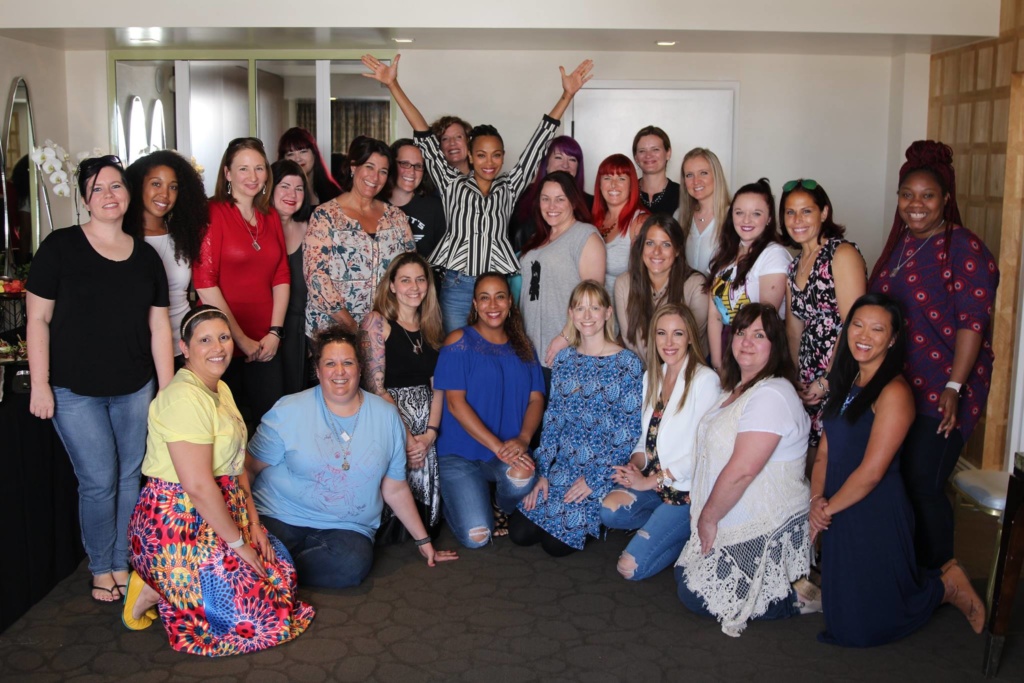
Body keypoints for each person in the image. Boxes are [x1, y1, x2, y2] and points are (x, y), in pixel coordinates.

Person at [122, 306, 315, 654]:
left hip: (222, 507)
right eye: (205, 340)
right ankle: (152, 585)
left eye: (224, 337)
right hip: (177, 521)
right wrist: (239, 545)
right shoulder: (183, 398)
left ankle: (165, 584)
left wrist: (253, 525)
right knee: (253, 621)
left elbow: (236, 464)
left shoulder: (220, 388)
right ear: (184, 347)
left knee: (277, 578)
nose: (218, 348)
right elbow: (197, 487)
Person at [26, 155, 174, 604]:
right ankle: (101, 567)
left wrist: (168, 392)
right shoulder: (60, 247)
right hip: (74, 391)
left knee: (130, 477)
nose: (109, 195)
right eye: (98, 189)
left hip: (135, 386)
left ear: (128, 193)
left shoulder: (146, 256)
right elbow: (37, 320)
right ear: (85, 200)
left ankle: (122, 562)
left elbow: (160, 327)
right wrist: (39, 384)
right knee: (98, 480)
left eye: (116, 186)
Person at [362, 53, 594, 333]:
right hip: (457, 286)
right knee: (456, 347)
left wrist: (567, 95)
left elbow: (539, 141)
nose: (489, 162)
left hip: (497, 286)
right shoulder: (451, 182)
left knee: (495, 348)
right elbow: (422, 134)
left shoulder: (510, 185)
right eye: (481, 155)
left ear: (503, 156)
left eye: (496, 155)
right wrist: (393, 85)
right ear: (471, 156)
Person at [808, 293, 985, 646]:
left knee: (863, 630)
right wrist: (815, 500)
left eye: (877, 329)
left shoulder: (895, 392)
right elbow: (825, 451)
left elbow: (872, 472)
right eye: (857, 325)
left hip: (874, 507)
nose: (864, 335)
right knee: (841, 622)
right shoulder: (846, 381)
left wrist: (826, 510)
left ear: (892, 339)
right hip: (838, 505)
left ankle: (944, 586)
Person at [869, 141, 999, 570]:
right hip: (901, 386)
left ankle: (943, 577)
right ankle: (908, 571)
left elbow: (972, 323)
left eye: (927, 196)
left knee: (925, 482)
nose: (916, 204)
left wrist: (954, 386)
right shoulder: (901, 243)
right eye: (907, 195)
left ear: (945, 199)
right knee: (898, 478)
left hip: (946, 386)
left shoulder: (963, 247)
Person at [247, 326, 458, 588]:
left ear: (360, 368)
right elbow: (249, 469)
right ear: (318, 371)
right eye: (330, 364)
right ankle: (271, 570)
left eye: (347, 363)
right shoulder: (288, 410)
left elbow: (394, 487)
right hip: (281, 515)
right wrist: (249, 523)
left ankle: (270, 573)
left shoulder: (386, 416)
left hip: (346, 527)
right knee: (258, 547)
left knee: (352, 565)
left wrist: (423, 541)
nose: (340, 372)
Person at [675, 303, 818, 637]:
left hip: (765, 522)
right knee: (684, 576)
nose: (747, 342)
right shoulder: (736, 388)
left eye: (759, 335)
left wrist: (708, 518)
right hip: (731, 514)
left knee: (693, 595)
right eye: (741, 333)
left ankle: (797, 598)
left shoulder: (773, 394)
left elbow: (742, 470)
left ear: (775, 345)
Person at [510, 281, 642, 555]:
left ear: (608, 312)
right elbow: (553, 420)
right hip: (565, 464)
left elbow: (628, 432)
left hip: (603, 467)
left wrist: (595, 480)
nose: (587, 315)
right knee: (519, 533)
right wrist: (542, 473)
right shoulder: (564, 360)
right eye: (580, 308)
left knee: (554, 546)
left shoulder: (627, 363)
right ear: (571, 314)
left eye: (594, 308)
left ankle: (601, 517)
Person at [601, 303, 720, 580]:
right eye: (661, 333)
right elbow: (645, 439)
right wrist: (634, 466)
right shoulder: (652, 376)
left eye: (678, 333)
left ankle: (682, 537)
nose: (669, 342)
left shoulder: (705, 380)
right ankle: (661, 526)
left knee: (629, 568)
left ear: (690, 337)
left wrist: (648, 482)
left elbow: (701, 454)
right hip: (654, 485)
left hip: (684, 493)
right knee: (609, 511)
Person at [433, 273, 545, 547]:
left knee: (522, 477)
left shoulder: (524, 346)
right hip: (459, 454)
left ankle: (498, 503)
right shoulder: (459, 342)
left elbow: (536, 398)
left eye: (500, 297)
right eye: (484, 298)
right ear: (474, 303)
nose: (492, 305)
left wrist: (523, 439)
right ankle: (454, 501)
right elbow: (455, 404)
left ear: (510, 302)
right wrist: (498, 447)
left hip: (507, 449)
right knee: (478, 538)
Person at [193, 137, 289, 428]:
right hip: (221, 342)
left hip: (267, 342)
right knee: (227, 431)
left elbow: (281, 275)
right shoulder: (212, 213)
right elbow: (205, 283)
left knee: (271, 426)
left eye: (259, 168)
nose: (253, 176)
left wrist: (275, 332)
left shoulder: (270, 215)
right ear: (227, 173)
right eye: (243, 168)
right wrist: (241, 340)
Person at [361, 252, 446, 541]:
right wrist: (409, 439)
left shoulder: (431, 327)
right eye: (406, 280)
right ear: (392, 285)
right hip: (390, 423)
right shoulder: (376, 323)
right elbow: (376, 388)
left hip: (426, 431)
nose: (414, 287)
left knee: (428, 523)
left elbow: (439, 387)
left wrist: (430, 435)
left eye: (420, 280)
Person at [780, 179, 867, 453]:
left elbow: (854, 322)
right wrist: (795, 378)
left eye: (806, 211)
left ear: (824, 212)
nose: (797, 220)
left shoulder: (841, 254)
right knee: (805, 451)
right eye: (790, 212)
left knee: (833, 452)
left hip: (840, 369)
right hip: (808, 375)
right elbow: (794, 330)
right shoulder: (793, 266)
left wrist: (828, 379)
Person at [304, 136, 415, 338]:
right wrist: (355, 329)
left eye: (383, 171)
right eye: (369, 167)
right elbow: (316, 280)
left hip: (385, 331)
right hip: (333, 334)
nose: (375, 177)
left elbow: (410, 270)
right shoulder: (325, 216)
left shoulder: (396, 217)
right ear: (353, 166)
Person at [124, 150, 209, 366]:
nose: (165, 194)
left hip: (183, 347)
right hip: (140, 350)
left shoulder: (183, 235)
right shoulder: (123, 238)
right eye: (156, 184)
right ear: (138, 185)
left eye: (173, 187)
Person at [518, 171, 605, 372]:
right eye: (545, 199)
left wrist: (565, 337)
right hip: (531, 349)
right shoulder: (538, 238)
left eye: (560, 199)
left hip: (566, 349)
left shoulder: (585, 236)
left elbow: (592, 300)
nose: (551, 206)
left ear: (573, 202)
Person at [707, 178, 790, 372]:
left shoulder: (773, 255)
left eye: (756, 214)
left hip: (755, 352)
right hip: (724, 347)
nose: (746, 220)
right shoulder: (724, 253)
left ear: (769, 218)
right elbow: (714, 315)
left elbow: (764, 320)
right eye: (739, 212)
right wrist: (718, 364)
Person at [614, 214, 708, 362]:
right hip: (642, 369)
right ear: (641, 247)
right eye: (650, 243)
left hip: (686, 369)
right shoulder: (624, 283)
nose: (656, 252)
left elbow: (689, 340)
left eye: (666, 245)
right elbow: (630, 341)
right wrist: (651, 372)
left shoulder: (696, 285)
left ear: (677, 250)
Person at [270, 159, 314, 394]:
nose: (292, 194)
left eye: (298, 188)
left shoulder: (310, 228)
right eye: (285, 186)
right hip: (261, 327)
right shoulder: (256, 227)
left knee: (294, 395)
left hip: (298, 329)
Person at [509, 135, 592, 253]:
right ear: (546, 164)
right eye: (558, 157)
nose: (565, 165)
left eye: (572, 159)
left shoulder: (590, 203)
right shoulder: (522, 195)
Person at [593, 153, 649, 296]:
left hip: (627, 309)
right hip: (596, 308)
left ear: (631, 186)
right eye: (607, 178)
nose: (613, 184)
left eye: (621, 178)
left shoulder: (640, 222)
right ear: (599, 184)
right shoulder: (594, 221)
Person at [388, 138, 447, 261]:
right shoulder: (375, 205)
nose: (412, 171)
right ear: (391, 165)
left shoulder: (435, 208)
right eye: (405, 164)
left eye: (418, 166)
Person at [675, 147, 730, 275]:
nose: (696, 181)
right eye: (689, 175)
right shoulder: (679, 216)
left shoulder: (733, 217)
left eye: (703, 173)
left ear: (716, 175)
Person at [278, 126, 341, 206]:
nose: (298, 159)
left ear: (314, 154)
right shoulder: (279, 195)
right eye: (290, 154)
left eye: (303, 151)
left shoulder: (334, 193)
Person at [633, 126, 680, 215]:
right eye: (642, 151)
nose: (648, 155)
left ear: (668, 153)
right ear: (636, 158)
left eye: (655, 149)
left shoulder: (682, 194)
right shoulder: (627, 192)